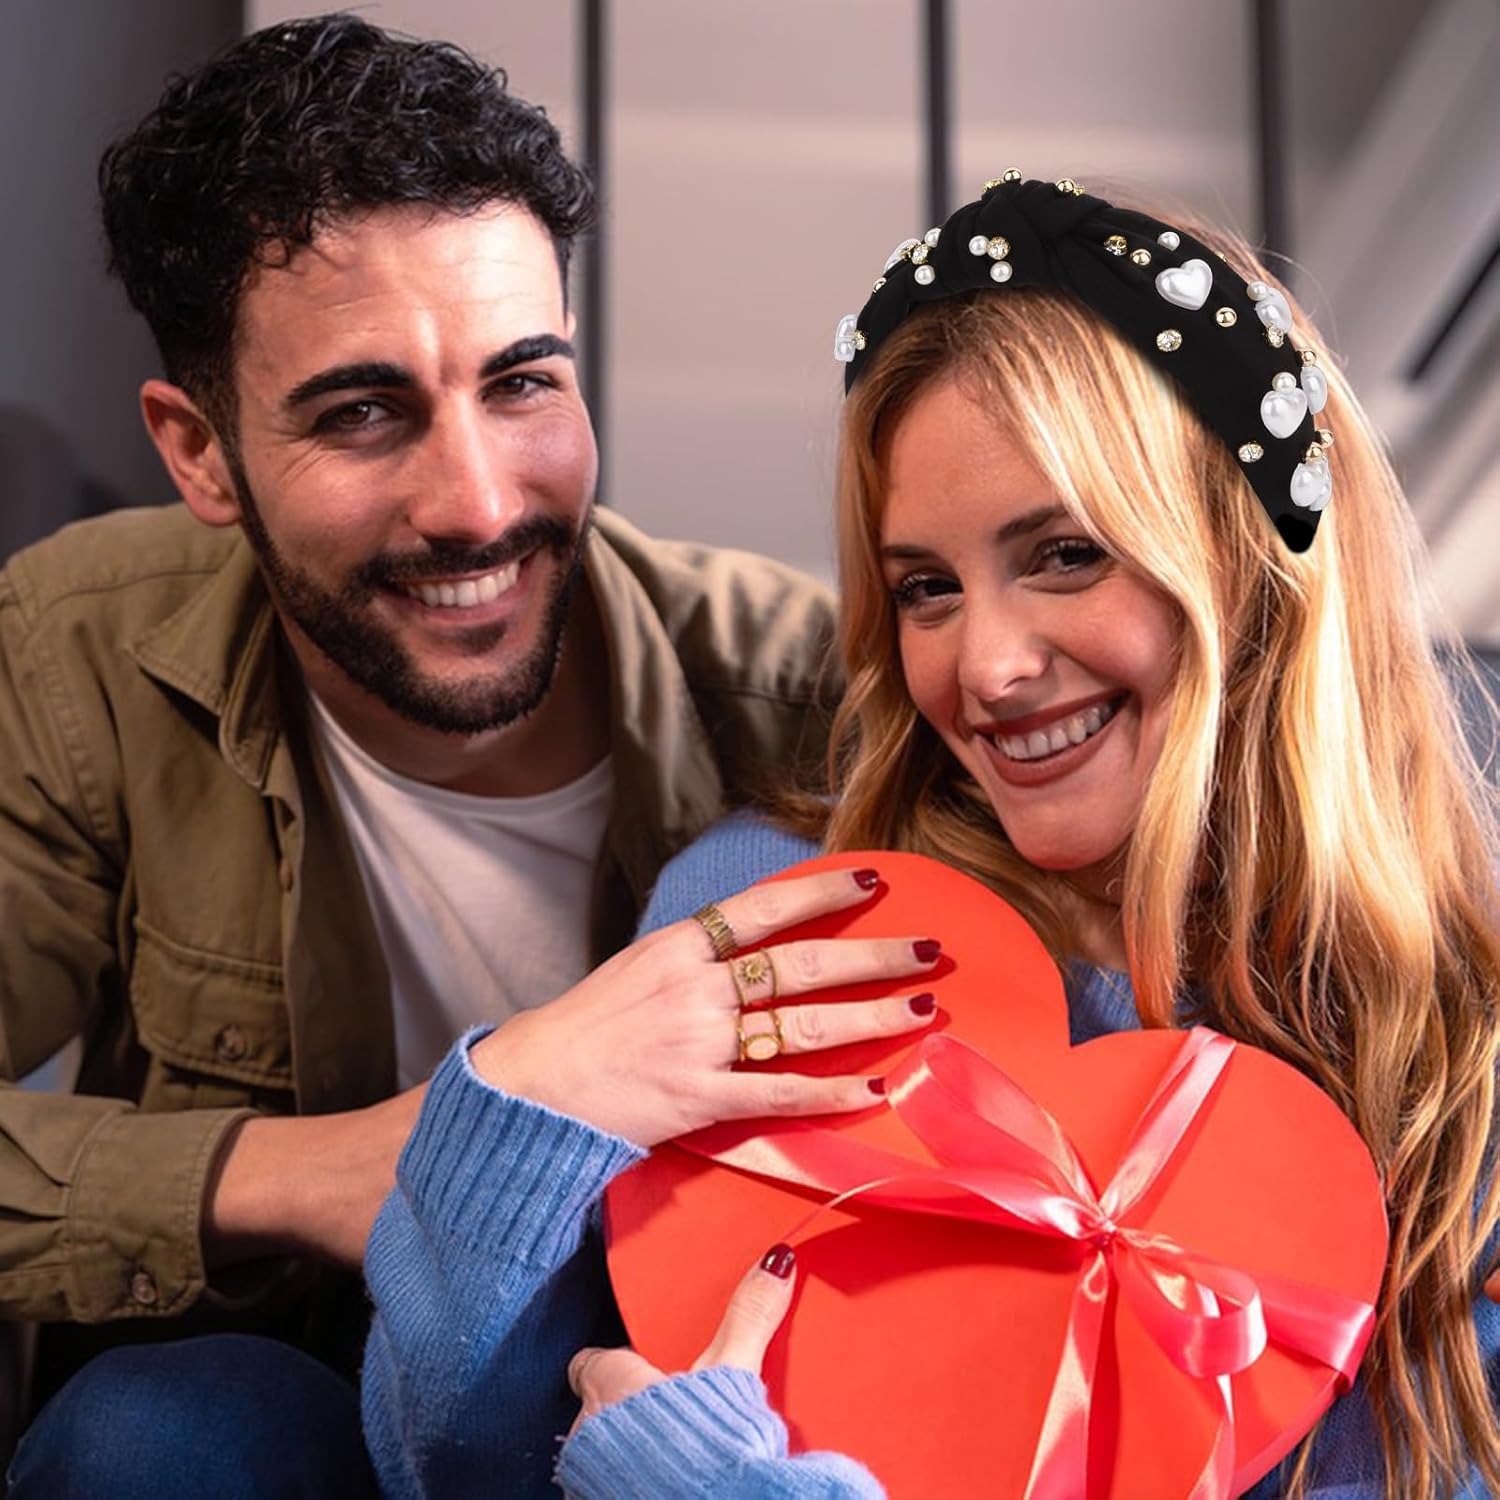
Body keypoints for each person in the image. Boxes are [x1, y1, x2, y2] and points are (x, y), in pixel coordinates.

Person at [358, 178, 1500, 1498]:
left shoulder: (1454, 1075)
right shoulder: (776, 915)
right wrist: (524, 1104)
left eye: (1066, 554)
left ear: (1250, 563)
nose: (988, 667)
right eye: (926, 590)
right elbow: (448, 1471)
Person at [0, 15, 943, 1497]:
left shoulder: (813, 701)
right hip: (272, 1415)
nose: (477, 501)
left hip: (650, 1415)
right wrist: (342, 1168)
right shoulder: (80, 655)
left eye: (523, 382)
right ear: (198, 453)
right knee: (163, 1429)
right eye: (364, 413)